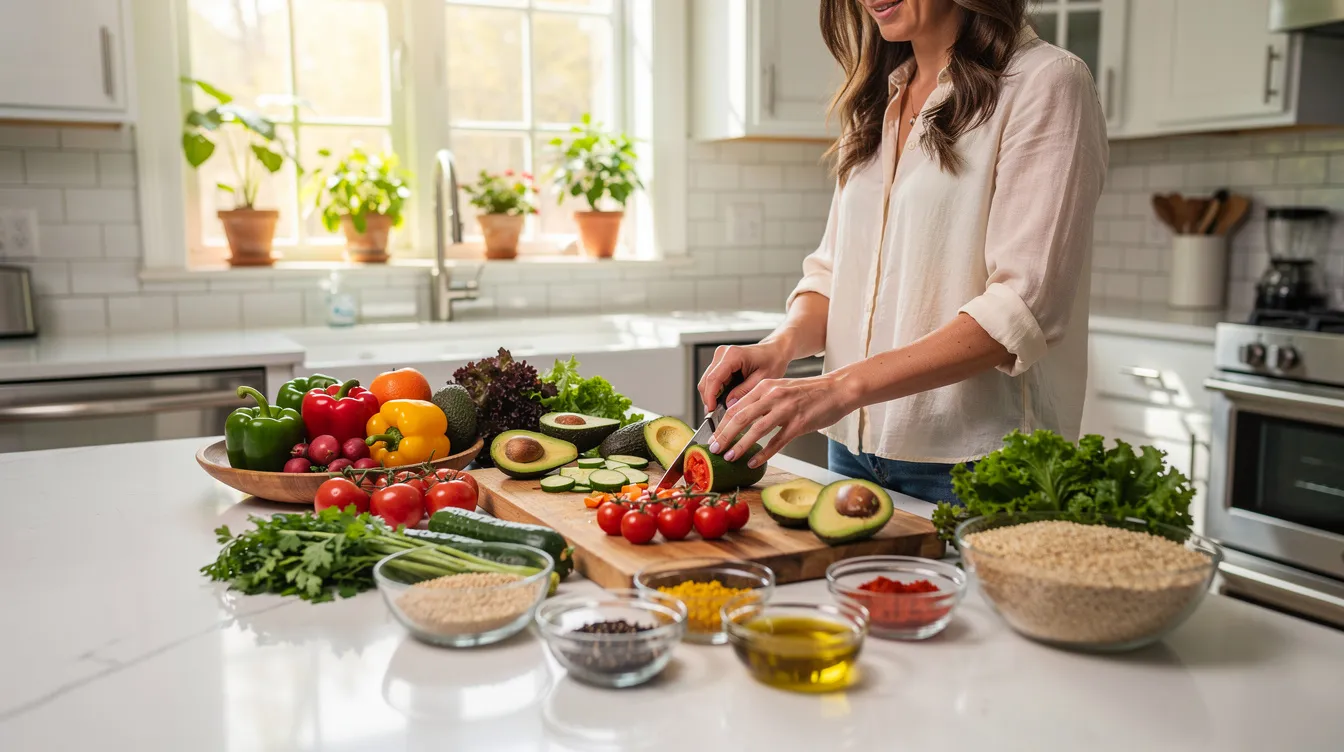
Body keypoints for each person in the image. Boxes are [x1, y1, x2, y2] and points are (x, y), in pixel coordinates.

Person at [697, 0, 1108, 504]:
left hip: (975, 458)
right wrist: (779, 347)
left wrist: (836, 388)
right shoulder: (877, 101)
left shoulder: (1047, 82)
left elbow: (1020, 311)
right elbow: (834, 274)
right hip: (852, 448)